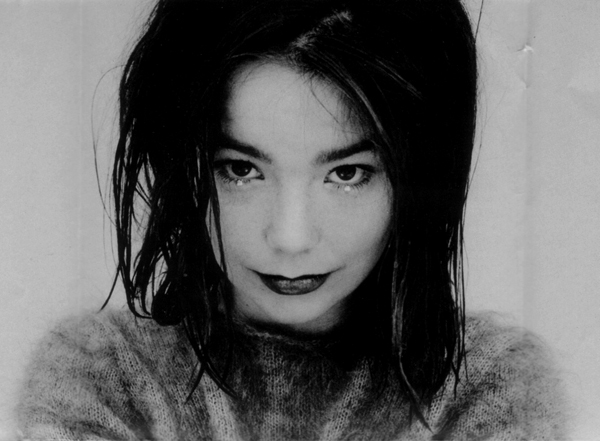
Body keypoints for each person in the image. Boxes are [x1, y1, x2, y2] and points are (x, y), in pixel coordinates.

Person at [16, 0, 566, 439]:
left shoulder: (491, 388)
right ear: (182, 165)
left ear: (418, 178)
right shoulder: (102, 378)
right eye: (241, 170)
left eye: (347, 173)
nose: (290, 238)